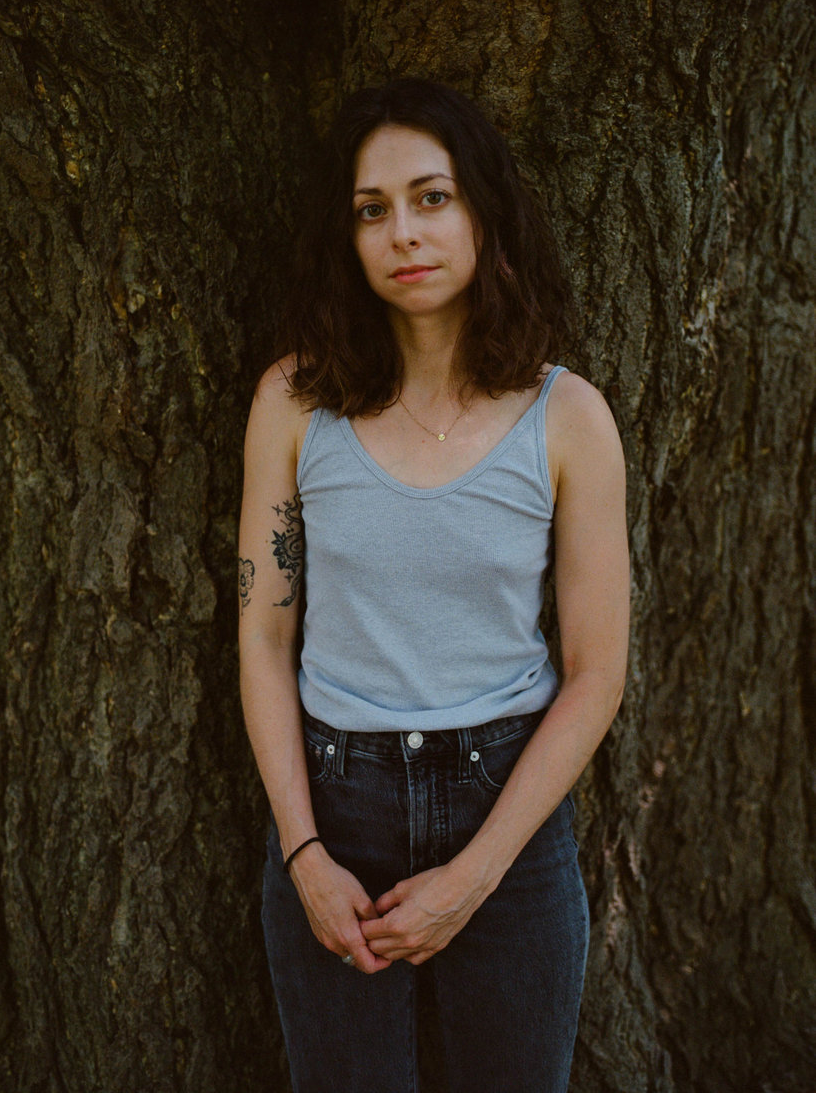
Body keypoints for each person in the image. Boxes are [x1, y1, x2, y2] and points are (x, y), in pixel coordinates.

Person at [238, 77, 629, 1093]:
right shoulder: (295, 402)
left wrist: (475, 876)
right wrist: (303, 854)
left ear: (484, 211)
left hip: (508, 816)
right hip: (334, 815)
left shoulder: (566, 418)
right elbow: (264, 639)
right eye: (372, 210)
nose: (402, 232)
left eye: (432, 197)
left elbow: (596, 672)